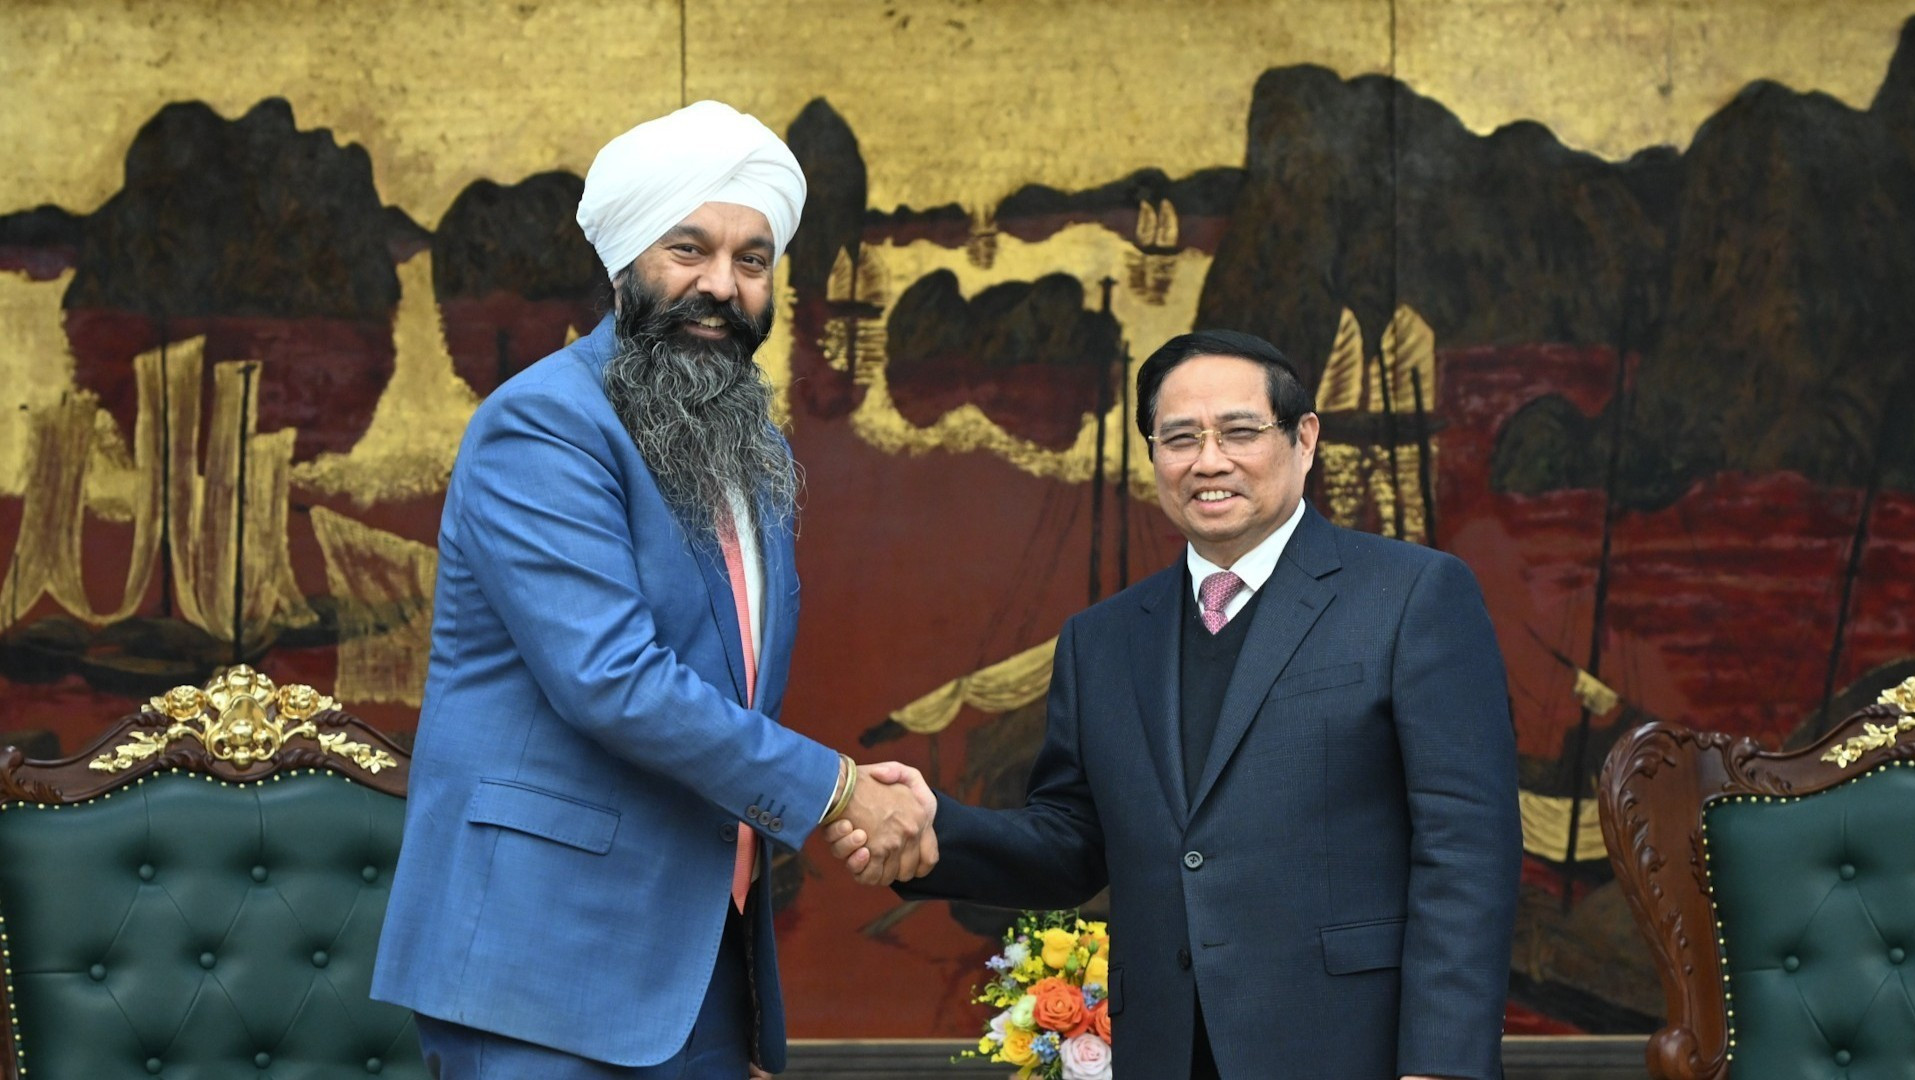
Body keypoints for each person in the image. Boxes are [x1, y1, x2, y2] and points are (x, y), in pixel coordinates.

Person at [373, 101, 936, 1080]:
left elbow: (726, 695)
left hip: (694, 965)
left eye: (752, 259)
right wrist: (839, 789)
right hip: (541, 965)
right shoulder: (544, 425)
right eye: (690, 249)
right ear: (629, 259)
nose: (722, 285)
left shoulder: (739, 444)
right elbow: (612, 678)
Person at [831, 330, 1520, 1079]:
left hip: (1350, 1048)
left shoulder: (1412, 595)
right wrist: (936, 833)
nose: (1209, 461)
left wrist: (1442, 1066)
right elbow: (1071, 845)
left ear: (1304, 438)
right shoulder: (1103, 640)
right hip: (1165, 1049)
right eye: (1179, 437)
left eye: (1240, 432)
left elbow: (1467, 850)